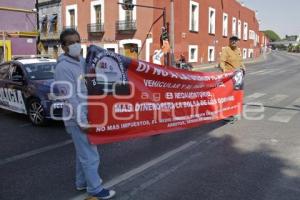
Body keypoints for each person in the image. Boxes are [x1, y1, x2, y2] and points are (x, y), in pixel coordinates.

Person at [54, 29, 116, 199]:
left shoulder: (82, 61)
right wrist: (82, 121)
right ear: (63, 46)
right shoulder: (63, 67)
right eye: (71, 42)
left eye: (77, 41)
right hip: (78, 119)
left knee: (83, 153)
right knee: (90, 154)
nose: (75, 45)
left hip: (88, 114)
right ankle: (95, 189)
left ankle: (81, 182)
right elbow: (69, 97)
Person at [220, 36, 246, 123]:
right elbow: (222, 62)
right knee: (228, 95)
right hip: (229, 76)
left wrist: (243, 67)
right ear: (229, 41)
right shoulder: (226, 49)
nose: (234, 42)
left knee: (236, 94)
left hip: (238, 76)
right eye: (232, 40)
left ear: (237, 41)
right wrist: (224, 71)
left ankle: (233, 111)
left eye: (235, 40)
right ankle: (227, 113)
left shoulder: (238, 50)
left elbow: (240, 61)